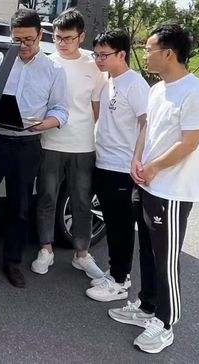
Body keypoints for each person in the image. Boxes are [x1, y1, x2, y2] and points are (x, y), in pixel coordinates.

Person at [108, 24, 199, 354]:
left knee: (166, 258)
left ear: (169, 53)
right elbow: (147, 130)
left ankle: (166, 322)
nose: (145, 54)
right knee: (148, 250)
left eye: (149, 49)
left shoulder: (196, 92)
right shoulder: (157, 89)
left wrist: (153, 167)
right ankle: (147, 306)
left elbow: (190, 143)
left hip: (172, 190)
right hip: (147, 183)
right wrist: (137, 158)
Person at [0, 8, 68, 288]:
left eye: (28, 40)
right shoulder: (0, 60)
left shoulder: (53, 70)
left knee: (19, 207)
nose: (22, 46)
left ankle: (12, 262)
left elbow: (61, 110)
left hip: (27, 144)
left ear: (40, 36)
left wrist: (44, 124)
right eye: (17, 40)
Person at [31, 9, 106, 280]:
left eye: (68, 38)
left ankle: (82, 254)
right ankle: (46, 249)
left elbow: (97, 109)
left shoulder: (93, 66)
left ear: (81, 37)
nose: (62, 43)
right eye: (58, 37)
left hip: (83, 144)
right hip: (50, 141)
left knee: (82, 201)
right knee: (46, 198)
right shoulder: (46, 63)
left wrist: (98, 140)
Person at [85, 29, 149, 302]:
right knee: (111, 222)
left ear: (121, 54)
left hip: (123, 167)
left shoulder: (135, 84)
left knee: (121, 226)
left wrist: (137, 158)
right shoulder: (109, 81)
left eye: (104, 55)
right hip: (103, 161)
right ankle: (115, 273)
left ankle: (120, 281)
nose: (99, 59)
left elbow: (147, 123)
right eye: (96, 54)